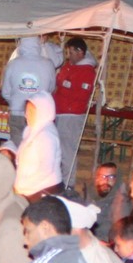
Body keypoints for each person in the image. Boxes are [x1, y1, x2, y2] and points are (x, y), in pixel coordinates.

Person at [53, 37, 97, 182]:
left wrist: (64, 85)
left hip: (71, 115)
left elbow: (81, 95)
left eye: (71, 53)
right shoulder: (69, 66)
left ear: (80, 52)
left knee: (68, 151)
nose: (68, 56)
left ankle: (68, 183)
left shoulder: (87, 71)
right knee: (58, 150)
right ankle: (58, 180)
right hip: (60, 112)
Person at [0, 37, 56, 141]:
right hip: (39, 115)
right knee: (36, 147)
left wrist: (16, 102)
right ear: (38, 45)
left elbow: (5, 92)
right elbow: (51, 89)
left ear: (20, 44)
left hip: (17, 114)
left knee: (18, 147)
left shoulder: (13, 64)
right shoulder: (48, 64)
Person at [14, 91, 61, 202]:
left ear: (43, 112)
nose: (27, 115)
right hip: (29, 191)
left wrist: (24, 186)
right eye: (26, 111)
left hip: (42, 193)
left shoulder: (46, 135)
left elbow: (46, 168)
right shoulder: (31, 131)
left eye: (31, 111)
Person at [87, 162, 129, 245]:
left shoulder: (121, 201)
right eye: (103, 176)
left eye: (111, 177)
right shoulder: (90, 194)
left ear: (116, 179)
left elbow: (120, 233)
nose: (106, 181)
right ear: (97, 178)